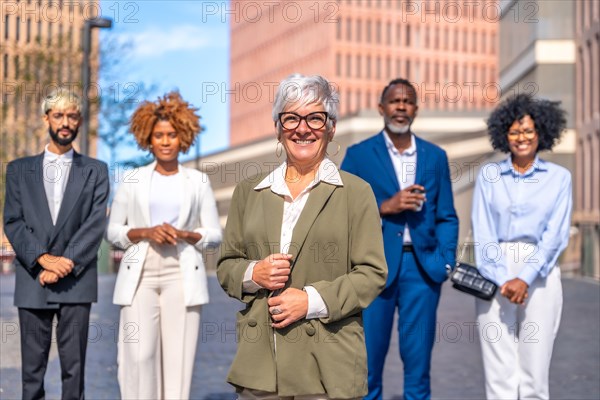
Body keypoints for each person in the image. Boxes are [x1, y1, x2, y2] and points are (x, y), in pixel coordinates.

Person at [217, 74, 387, 400]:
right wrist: (254, 273)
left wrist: (310, 300)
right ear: (278, 128)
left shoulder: (356, 192)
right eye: (291, 117)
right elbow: (227, 267)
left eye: (315, 117)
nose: (303, 128)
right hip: (262, 368)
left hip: (326, 365)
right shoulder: (249, 192)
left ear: (331, 127)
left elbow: (372, 274)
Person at [341, 78, 459, 400]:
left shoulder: (435, 156)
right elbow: (340, 212)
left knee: (418, 366)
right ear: (382, 108)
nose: (401, 107)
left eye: (407, 102)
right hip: (373, 268)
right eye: (394, 101)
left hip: (422, 272)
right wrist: (384, 207)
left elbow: (447, 215)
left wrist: (445, 260)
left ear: (416, 110)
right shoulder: (358, 155)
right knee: (366, 365)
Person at [106, 91, 222, 399]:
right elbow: (113, 231)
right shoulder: (132, 180)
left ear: (183, 136)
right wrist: (145, 231)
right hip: (140, 275)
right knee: (139, 355)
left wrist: (185, 234)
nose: (166, 141)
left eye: (172, 134)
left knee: (178, 362)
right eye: (159, 135)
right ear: (148, 138)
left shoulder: (198, 181)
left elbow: (214, 235)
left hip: (181, 275)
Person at [3, 88, 109, 400]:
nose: (65, 122)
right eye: (59, 115)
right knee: (31, 375)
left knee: (74, 374)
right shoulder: (19, 170)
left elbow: (95, 223)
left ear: (79, 121)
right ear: (46, 118)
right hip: (33, 278)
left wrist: (65, 264)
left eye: (72, 115)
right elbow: (14, 221)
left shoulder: (96, 170)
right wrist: (43, 260)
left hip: (75, 281)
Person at [472, 93, 571, 399]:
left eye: (528, 131)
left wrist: (524, 277)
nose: (521, 138)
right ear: (504, 135)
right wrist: (505, 279)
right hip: (495, 270)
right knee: (499, 370)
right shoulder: (489, 175)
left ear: (541, 132)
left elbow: (555, 235)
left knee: (535, 369)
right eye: (514, 131)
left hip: (540, 272)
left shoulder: (559, 178)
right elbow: (484, 232)